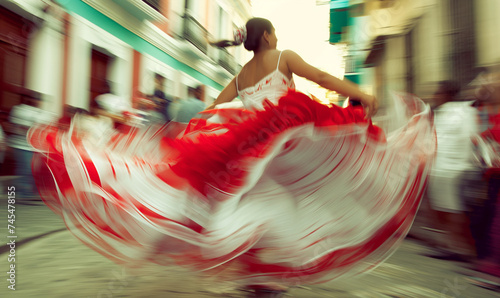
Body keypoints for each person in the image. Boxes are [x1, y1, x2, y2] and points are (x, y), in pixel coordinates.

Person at [27, 18, 435, 298]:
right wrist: (363, 95)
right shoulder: (283, 57)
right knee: (281, 200)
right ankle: (267, 279)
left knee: (249, 203)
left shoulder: (242, 75)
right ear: (271, 38)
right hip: (281, 137)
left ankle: (258, 279)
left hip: (247, 144)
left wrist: (195, 135)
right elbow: (322, 79)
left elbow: (215, 107)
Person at [425, 81, 479, 262]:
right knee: (442, 208)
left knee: (454, 210)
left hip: (455, 169)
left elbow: (470, 137)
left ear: (448, 94)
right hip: (440, 168)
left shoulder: (464, 112)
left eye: (438, 92)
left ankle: (461, 249)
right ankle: (448, 245)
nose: (435, 96)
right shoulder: (442, 112)